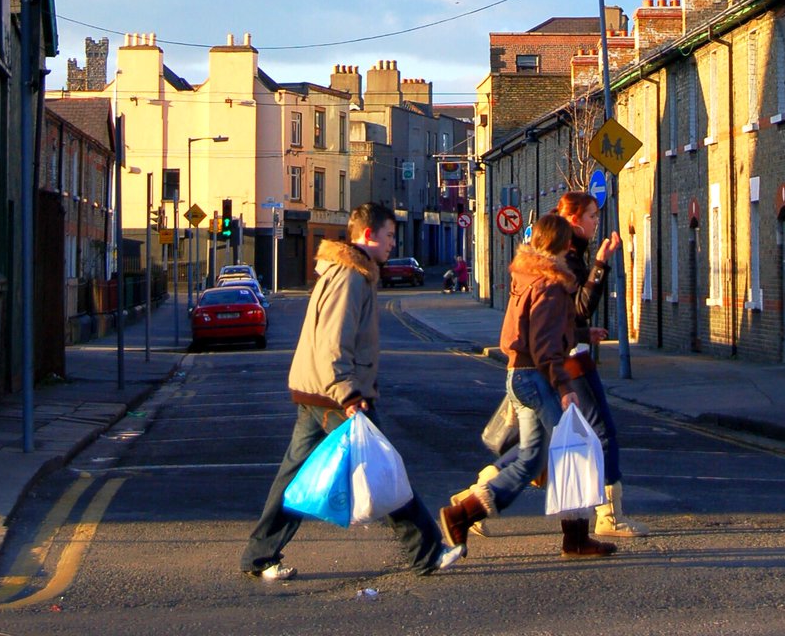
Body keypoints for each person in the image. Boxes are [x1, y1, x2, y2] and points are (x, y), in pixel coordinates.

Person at [241, 202, 464, 581]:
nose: (393, 243)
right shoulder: (351, 276)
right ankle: (426, 553)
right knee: (384, 469)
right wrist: (347, 394)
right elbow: (333, 340)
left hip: (317, 391)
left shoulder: (349, 271)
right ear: (367, 235)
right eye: (389, 236)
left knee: (295, 478)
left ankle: (259, 555)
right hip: (335, 395)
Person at [439, 213, 616, 558]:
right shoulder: (550, 285)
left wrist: (582, 334)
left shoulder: (528, 275)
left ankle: (465, 514)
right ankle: (573, 537)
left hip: (520, 373)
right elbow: (546, 346)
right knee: (573, 451)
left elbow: (533, 330)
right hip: (536, 376)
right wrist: (564, 387)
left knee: (534, 458)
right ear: (564, 245)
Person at [556, 190, 648, 538]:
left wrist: (582, 330)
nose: (597, 222)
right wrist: (600, 265)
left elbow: (566, 314)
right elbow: (578, 307)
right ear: (574, 220)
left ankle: (474, 502)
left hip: (567, 350)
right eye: (592, 216)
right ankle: (610, 514)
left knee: (531, 447)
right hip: (568, 358)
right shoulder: (567, 256)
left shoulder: (567, 253)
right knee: (603, 432)